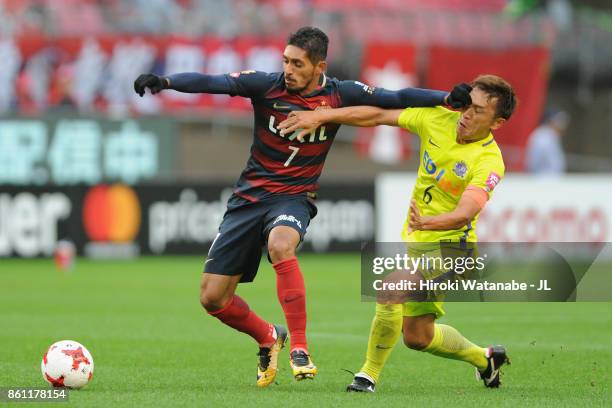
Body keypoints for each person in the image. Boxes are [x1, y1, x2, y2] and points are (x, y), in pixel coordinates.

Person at [134, 26, 471, 388]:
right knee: (213, 298)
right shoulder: (266, 85)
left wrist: (446, 98)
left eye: (297, 64)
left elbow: (397, 95)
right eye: (285, 61)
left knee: (281, 245)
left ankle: (300, 347)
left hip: (294, 198)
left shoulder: (342, 94)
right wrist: (166, 81)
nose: (288, 69)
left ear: (319, 66)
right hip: (247, 200)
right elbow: (212, 81)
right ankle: (268, 336)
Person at [278, 74, 517, 392]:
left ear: (497, 122)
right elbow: (377, 115)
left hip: (452, 250)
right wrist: (322, 115)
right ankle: (485, 359)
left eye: (478, 111)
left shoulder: (489, 160)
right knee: (418, 338)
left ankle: (366, 376)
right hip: (420, 245)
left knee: (390, 288)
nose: (467, 114)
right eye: (467, 105)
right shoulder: (439, 118)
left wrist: (430, 223)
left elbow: (466, 211)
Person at [526, 109, 569, 174]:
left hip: (551, 179)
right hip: (541, 178)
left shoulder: (553, 135)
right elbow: (534, 161)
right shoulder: (543, 136)